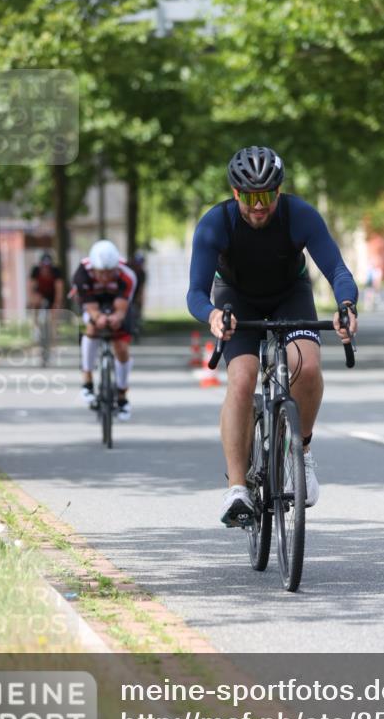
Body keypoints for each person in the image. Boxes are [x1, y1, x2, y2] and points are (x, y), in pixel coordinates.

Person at [187, 146, 358, 527]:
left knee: (307, 367)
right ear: (236, 195)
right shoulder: (216, 224)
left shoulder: (300, 215)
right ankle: (236, 489)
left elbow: (337, 270)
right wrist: (213, 315)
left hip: (289, 296)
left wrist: (347, 305)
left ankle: (303, 452)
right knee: (243, 379)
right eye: (250, 197)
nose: (259, 206)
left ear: (279, 193)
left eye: (267, 196)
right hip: (236, 301)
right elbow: (195, 293)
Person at [71, 239, 137, 421]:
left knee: (121, 348)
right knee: (91, 328)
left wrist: (116, 317)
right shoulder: (82, 274)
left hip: (117, 303)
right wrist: (98, 317)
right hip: (93, 303)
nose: (106, 277)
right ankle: (87, 381)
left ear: (116, 267)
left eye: (110, 273)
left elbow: (122, 308)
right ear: (93, 268)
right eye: (101, 273)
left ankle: (122, 397)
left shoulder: (127, 276)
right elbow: (91, 308)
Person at [28, 251, 64, 341]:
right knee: (35, 304)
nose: (46, 270)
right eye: (44, 267)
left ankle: (54, 333)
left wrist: (57, 304)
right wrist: (31, 300)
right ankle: (35, 328)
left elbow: (59, 289)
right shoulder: (35, 271)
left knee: (55, 312)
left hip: (52, 294)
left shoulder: (56, 272)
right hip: (40, 293)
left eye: (48, 267)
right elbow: (30, 287)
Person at [128, 249, 147, 339]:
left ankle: (136, 328)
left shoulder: (142, 273)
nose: (140, 265)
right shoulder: (129, 270)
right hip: (127, 294)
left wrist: (141, 298)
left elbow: (142, 287)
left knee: (136, 312)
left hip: (135, 295)